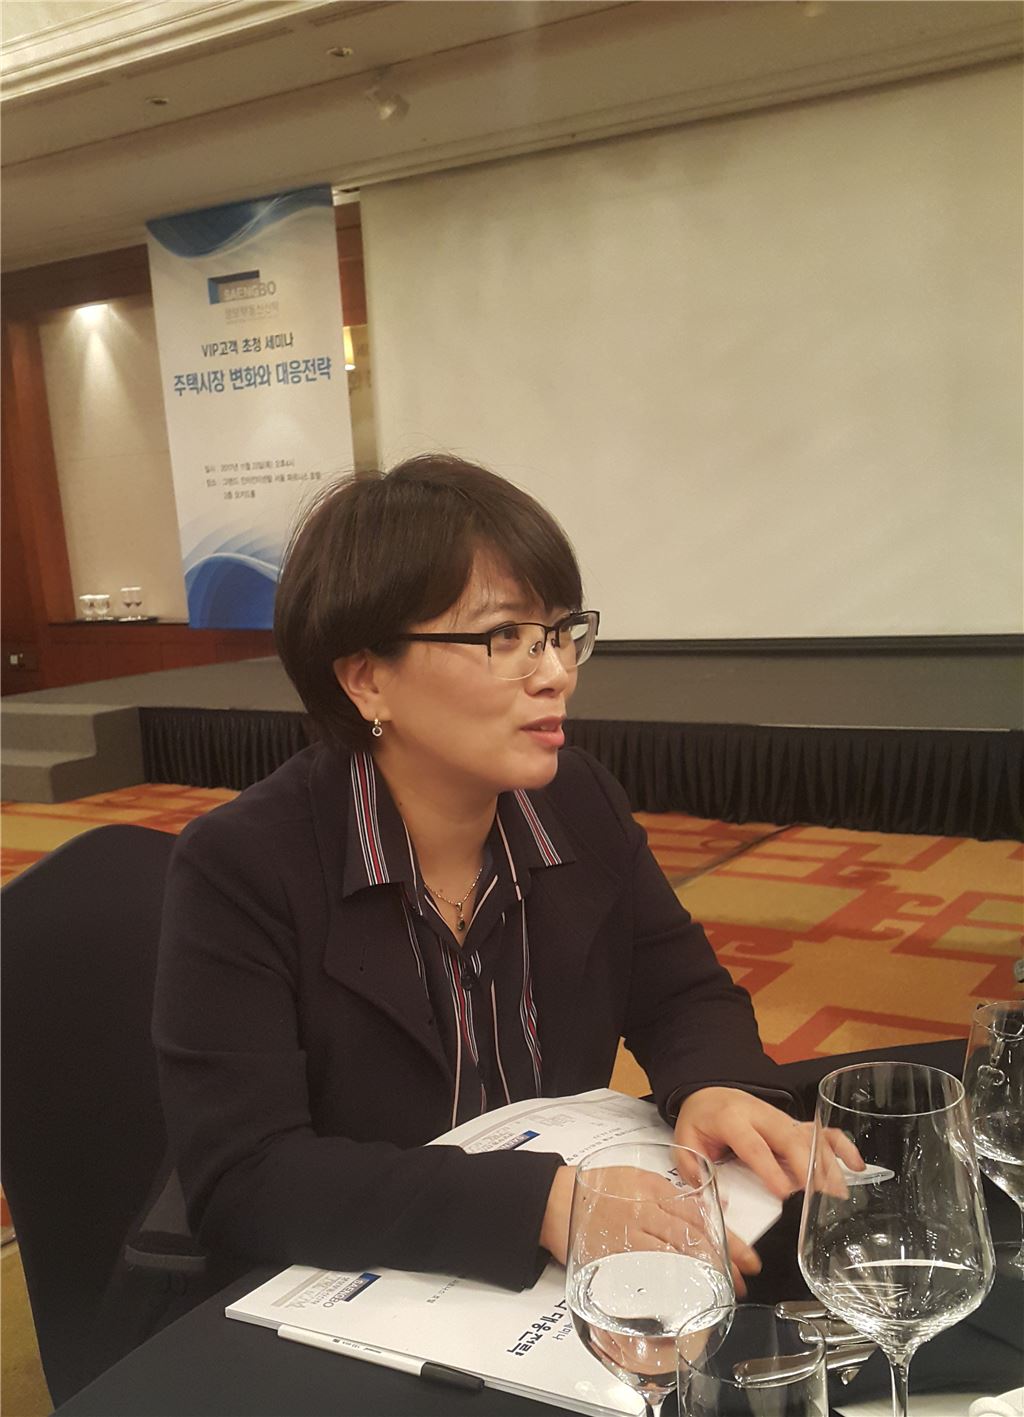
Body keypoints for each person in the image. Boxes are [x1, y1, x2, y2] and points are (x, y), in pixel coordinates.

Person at [153, 453, 855, 1298]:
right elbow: (245, 1175)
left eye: (559, 633)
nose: (555, 671)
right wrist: (537, 1204)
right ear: (367, 678)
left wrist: (715, 1083)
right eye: (504, 638)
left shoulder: (577, 802)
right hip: (358, 1288)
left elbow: (682, 992)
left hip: (563, 1278)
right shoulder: (244, 865)